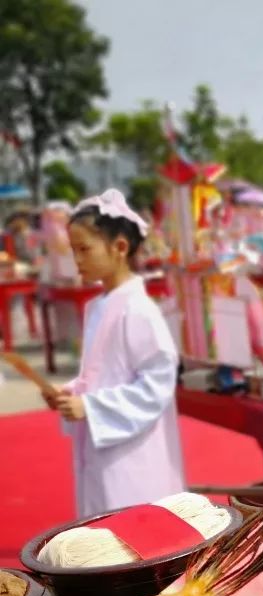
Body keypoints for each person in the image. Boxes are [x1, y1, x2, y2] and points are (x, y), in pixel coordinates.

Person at [42, 189, 185, 517]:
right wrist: (71, 392)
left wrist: (90, 407)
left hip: (132, 446)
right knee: (104, 521)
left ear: (119, 247)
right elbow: (99, 373)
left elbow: (157, 383)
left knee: (133, 523)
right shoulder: (99, 306)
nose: (77, 260)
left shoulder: (139, 310)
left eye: (84, 249)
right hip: (104, 436)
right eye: (73, 250)